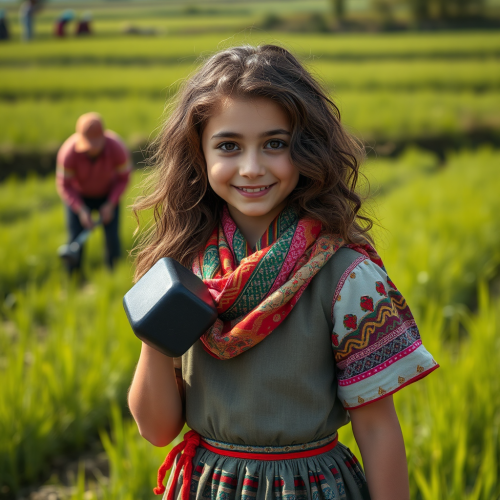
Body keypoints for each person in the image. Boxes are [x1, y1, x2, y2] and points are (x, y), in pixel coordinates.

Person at [128, 45, 439, 500]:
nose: (252, 168)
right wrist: (158, 328)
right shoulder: (185, 269)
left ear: (307, 147)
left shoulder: (345, 277)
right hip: (207, 487)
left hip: (312, 487)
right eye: (229, 146)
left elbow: (376, 430)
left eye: (275, 144)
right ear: (199, 153)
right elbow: (157, 429)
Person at [56, 112, 131, 274]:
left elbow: (123, 179)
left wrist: (111, 203)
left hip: (108, 195)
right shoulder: (68, 153)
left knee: (112, 238)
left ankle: (113, 273)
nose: (93, 148)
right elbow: (64, 185)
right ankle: (74, 277)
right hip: (80, 198)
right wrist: (81, 210)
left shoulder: (117, 148)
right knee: (75, 238)